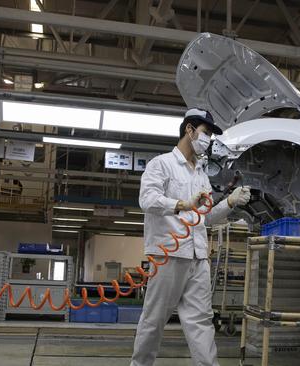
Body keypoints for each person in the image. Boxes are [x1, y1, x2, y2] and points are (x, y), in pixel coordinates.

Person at [131, 108, 251, 366]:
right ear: (189, 130)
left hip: (198, 258)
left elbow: (204, 218)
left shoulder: (201, 176)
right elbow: (147, 200)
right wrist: (183, 204)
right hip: (168, 256)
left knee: (201, 323)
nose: (208, 140)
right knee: (154, 320)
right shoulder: (161, 164)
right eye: (206, 133)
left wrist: (230, 202)